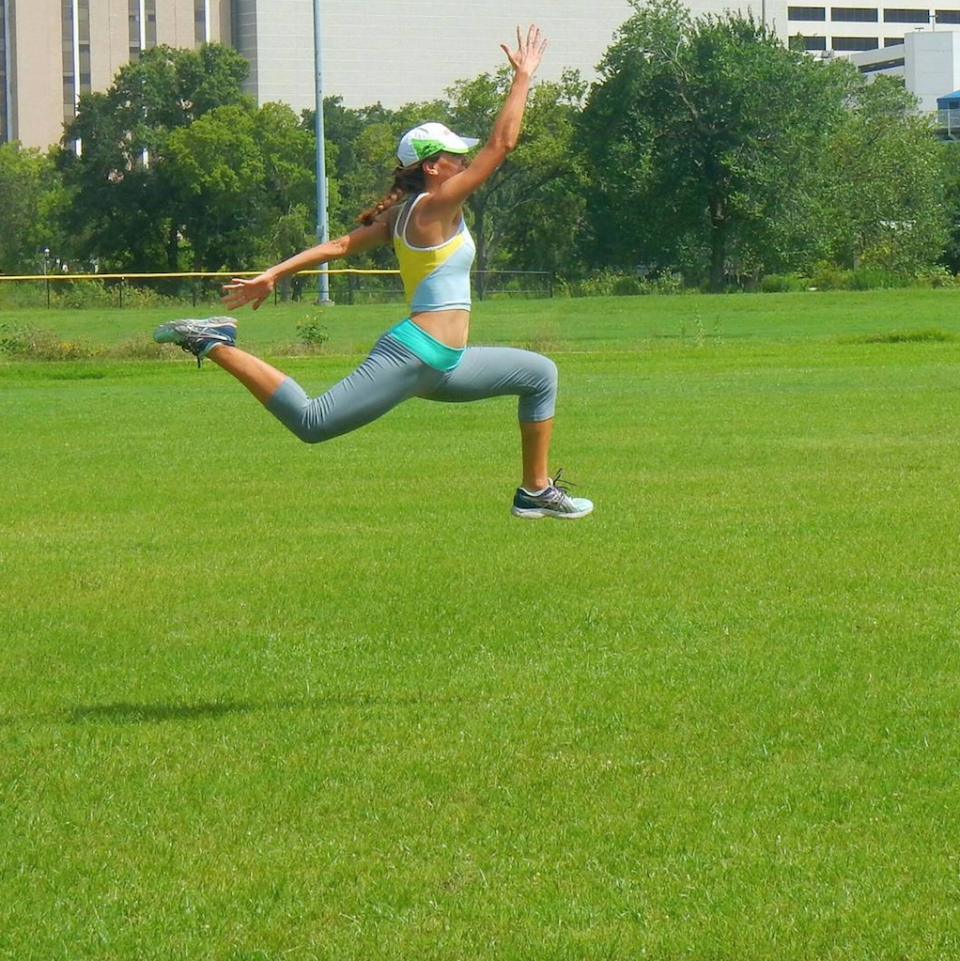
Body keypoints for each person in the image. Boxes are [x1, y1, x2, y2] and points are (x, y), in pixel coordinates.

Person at [154, 25, 592, 520]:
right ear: (432, 167)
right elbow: (502, 143)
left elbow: (339, 245)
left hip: (442, 364)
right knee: (312, 421)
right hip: (416, 355)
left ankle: (534, 491)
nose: (465, 160)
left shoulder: (401, 215)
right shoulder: (433, 206)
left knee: (540, 375)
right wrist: (523, 78)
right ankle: (213, 341)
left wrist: (273, 273)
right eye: (455, 155)